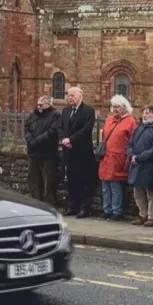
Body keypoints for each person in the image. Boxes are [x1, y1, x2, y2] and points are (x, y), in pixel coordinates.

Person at [126, 105, 153, 226]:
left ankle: (152, 216)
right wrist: (131, 155)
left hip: (150, 164)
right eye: (144, 113)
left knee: (151, 192)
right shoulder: (139, 128)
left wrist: (139, 157)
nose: (144, 115)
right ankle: (142, 214)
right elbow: (130, 144)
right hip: (136, 164)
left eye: (148, 113)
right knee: (137, 191)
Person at [98, 95, 138, 221]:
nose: (114, 109)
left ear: (124, 108)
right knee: (105, 186)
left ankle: (116, 210)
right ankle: (106, 209)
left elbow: (133, 141)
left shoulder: (131, 121)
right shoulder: (109, 120)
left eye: (117, 107)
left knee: (115, 186)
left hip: (119, 158)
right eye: (113, 106)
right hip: (106, 157)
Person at [60, 87, 96, 218]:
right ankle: (72, 206)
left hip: (82, 152)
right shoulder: (66, 110)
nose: (70, 98)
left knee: (84, 181)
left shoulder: (88, 111)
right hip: (68, 151)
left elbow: (86, 129)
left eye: (72, 95)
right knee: (71, 180)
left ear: (80, 96)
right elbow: (60, 127)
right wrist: (63, 139)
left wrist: (71, 139)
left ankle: (84, 208)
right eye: (68, 95)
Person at [23, 95, 61, 203]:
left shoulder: (55, 115)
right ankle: (35, 202)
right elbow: (26, 129)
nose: (38, 106)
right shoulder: (32, 115)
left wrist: (37, 140)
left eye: (41, 104)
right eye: (38, 104)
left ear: (49, 105)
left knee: (48, 181)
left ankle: (49, 203)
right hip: (33, 153)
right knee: (34, 180)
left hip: (48, 153)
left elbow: (52, 132)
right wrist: (30, 140)